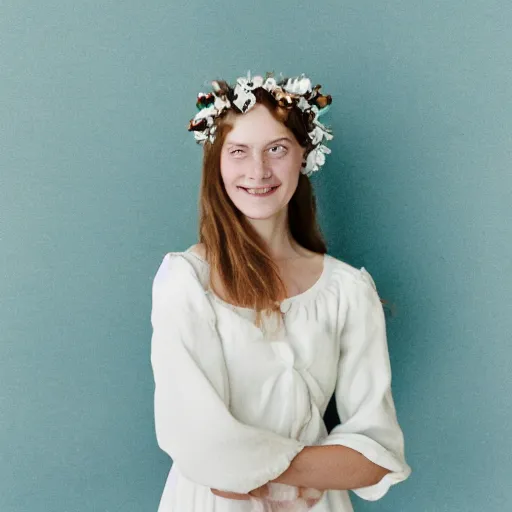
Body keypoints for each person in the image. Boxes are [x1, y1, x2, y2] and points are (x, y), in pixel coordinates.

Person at [150, 71, 412, 511]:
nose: (258, 171)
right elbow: (198, 443)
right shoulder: (187, 280)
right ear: (218, 163)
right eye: (239, 152)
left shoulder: (348, 290)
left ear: (303, 158)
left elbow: (377, 454)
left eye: (276, 149)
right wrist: (322, 466)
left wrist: (252, 473)